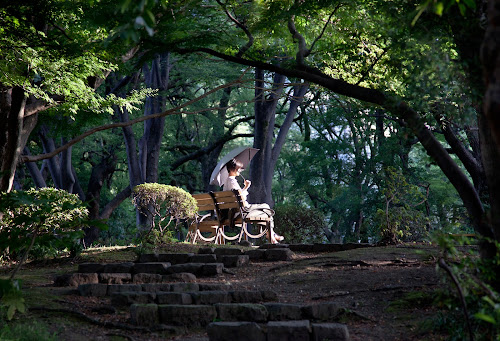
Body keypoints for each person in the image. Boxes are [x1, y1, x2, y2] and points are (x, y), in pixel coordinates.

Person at [222, 158, 284, 244]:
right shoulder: (232, 182)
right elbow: (241, 199)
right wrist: (246, 187)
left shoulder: (227, 182)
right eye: (239, 169)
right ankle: (271, 235)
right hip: (242, 211)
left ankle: (271, 234)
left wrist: (245, 187)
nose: (240, 171)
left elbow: (237, 197)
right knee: (266, 207)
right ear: (234, 169)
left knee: (265, 210)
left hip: (235, 211)